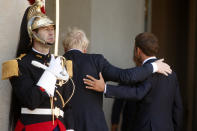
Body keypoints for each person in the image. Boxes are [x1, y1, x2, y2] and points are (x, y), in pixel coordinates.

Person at [62, 28, 171, 131]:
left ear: (65, 48)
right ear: (85, 49)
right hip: (94, 126)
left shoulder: (56, 63)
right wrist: (153, 67)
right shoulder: (96, 61)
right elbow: (125, 76)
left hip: (64, 125)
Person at [84, 32, 183, 131]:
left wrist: (105, 88)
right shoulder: (172, 74)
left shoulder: (143, 73)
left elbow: (136, 93)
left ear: (138, 50)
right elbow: (178, 108)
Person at [2, 1, 74, 131]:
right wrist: (50, 73)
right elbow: (31, 101)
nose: (51, 32)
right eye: (46, 29)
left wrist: (70, 128)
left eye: (52, 29)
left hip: (60, 127)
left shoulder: (60, 62)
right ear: (33, 33)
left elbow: (67, 104)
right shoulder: (20, 65)